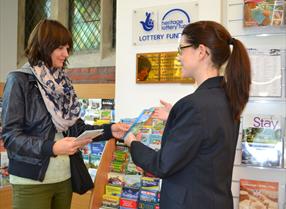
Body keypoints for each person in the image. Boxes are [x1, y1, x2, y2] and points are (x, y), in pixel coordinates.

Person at [1, 19, 129, 209]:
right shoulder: (19, 80)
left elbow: (77, 128)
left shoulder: (63, 83)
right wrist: (51, 147)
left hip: (64, 178)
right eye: (60, 47)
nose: (66, 54)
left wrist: (111, 130)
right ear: (44, 46)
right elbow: (11, 137)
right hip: (31, 180)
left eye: (68, 48)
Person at [125, 20, 251, 209]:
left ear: (201, 51)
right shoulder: (227, 98)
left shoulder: (194, 106)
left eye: (182, 49)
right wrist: (176, 117)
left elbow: (163, 165)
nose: (179, 57)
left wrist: (132, 142)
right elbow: (206, 141)